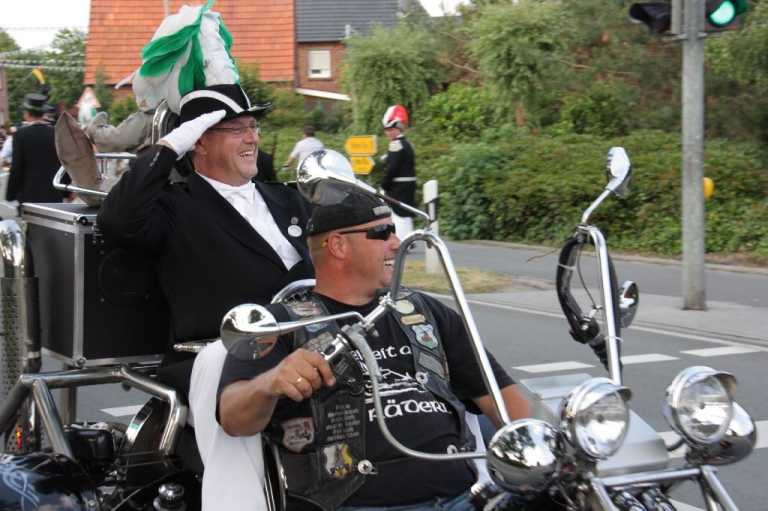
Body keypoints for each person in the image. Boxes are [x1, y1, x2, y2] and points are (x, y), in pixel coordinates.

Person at [217, 190, 530, 511]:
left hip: (462, 498)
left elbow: (503, 399)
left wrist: (537, 455)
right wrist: (270, 382)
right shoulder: (280, 323)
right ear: (338, 245)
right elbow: (233, 417)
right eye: (382, 232)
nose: (397, 243)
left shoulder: (426, 311)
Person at [97, 84, 315, 398]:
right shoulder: (176, 207)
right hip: (224, 363)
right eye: (237, 129)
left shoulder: (288, 199)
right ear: (198, 141)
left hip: (307, 352)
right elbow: (116, 220)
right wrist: (169, 147)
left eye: (253, 126)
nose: (252, 138)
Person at [5, 94, 65, 203]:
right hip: (54, 195)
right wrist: (66, 191)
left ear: (27, 113)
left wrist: (11, 194)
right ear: (43, 113)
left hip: (29, 196)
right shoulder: (56, 133)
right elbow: (64, 163)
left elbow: (17, 168)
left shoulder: (21, 135)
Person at [381, 105, 417, 238]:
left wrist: (384, 185)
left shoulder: (395, 144)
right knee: (405, 214)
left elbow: (392, 169)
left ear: (398, 129)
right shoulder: (407, 143)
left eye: (390, 129)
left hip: (398, 188)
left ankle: (403, 240)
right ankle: (408, 240)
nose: (387, 133)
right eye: (386, 130)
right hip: (407, 186)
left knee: (399, 215)